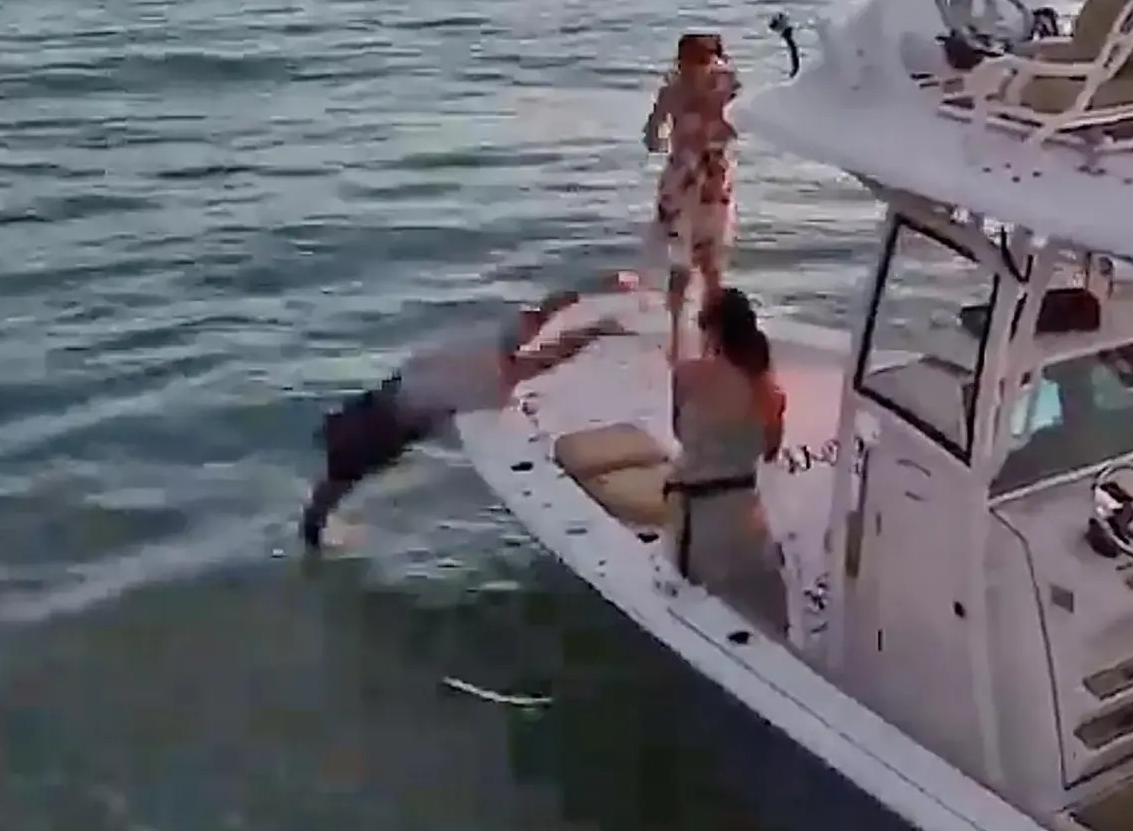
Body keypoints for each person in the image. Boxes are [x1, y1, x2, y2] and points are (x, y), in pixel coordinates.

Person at [299, 280, 632, 549]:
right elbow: (533, 363)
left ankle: (317, 520)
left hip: (394, 403)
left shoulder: (496, 334)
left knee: (344, 473)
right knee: (341, 478)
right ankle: (313, 533)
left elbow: (534, 352)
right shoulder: (492, 365)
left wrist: (584, 327)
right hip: (386, 421)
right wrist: (587, 334)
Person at [665, 287, 788, 634]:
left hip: (698, 516)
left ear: (712, 329)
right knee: (768, 621)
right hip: (746, 518)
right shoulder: (771, 392)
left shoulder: (687, 376)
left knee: (693, 620)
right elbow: (771, 449)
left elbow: (679, 433)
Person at [644, 32, 740, 363]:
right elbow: (651, 135)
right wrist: (666, 137)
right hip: (684, 183)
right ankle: (675, 334)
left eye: (699, 62)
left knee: (711, 264)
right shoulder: (673, 91)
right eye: (687, 63)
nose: (693, 69)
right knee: (681, 264)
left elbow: (744, 125)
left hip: (713, 182)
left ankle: (709, 341)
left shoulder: (728, 89)